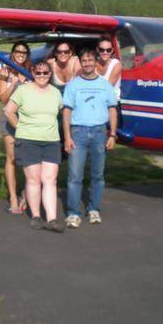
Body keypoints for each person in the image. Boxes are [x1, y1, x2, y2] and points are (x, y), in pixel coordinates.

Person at [5, 60, 64, 232]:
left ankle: (52, 219)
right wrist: (20, 127)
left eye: (45, 73)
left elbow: (61, 112)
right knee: (33, 180)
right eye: (38, 73)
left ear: (50, 74)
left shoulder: (55, 93)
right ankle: (36, 216)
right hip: (28, 141)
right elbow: (8, 111)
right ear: (32, 73)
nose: (42, 76)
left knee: (50, 180)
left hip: (51, 141)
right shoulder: (23, 90)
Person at [63, 48, 118, 228]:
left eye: (90, 60)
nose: (87, 63)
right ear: (80, 62)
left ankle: (94, 209)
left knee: (98, 175)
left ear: (96, 62)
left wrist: (112, 134)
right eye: (84, 60)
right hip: (78, 133)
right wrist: (67, 136)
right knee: (74, 176)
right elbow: (66, 112)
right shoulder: (73, 85)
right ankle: (73, 213)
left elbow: (112, 110)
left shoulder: (105, 85)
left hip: (99, 133)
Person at [0, 42, 31, 215]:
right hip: (9, 119)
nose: (20, 54)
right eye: (17, 51)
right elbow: (2, 99)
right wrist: (14, 83)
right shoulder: (5, 72)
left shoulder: (31, 71)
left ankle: (26, 193)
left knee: (27, 158)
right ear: (12, 53)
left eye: (24, 52)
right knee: (11, 158)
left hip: (27, 121)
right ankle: (12, 197)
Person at [96, 35, 122, 100]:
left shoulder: (116, 64)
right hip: (95, 102)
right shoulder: (93, 64)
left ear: (112, 50)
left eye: (108, 50)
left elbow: (107, 88)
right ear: (97, 49)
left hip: (111, 104)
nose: (105, 52)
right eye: (101, 50)